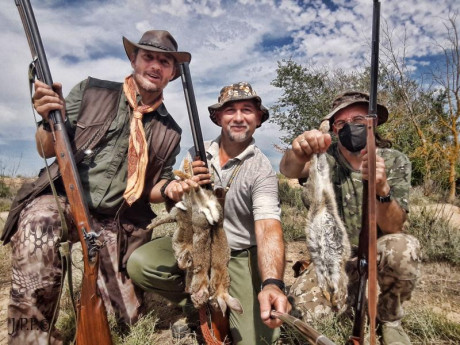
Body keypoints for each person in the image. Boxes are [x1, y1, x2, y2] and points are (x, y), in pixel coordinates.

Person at [1, 30, 195, 344]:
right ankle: (30, 337)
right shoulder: (91, 91)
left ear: (172, 73)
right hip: (64, 200)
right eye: (148, 56)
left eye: (165, 61)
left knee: (129, 322)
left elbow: (154, 187)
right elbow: (46, 148)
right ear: (134, 59)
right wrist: (49, 118)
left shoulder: (170, 131)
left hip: (117, 221)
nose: (156, 66)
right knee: (39, 224)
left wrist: (173, 189)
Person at [127, 82, 292, 345]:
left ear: (258, 118)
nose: (238, 117)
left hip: (236, 254)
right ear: (218, 118)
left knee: (258, 340)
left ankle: (237, 295)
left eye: (247, 110)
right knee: (140, 263)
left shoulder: (261, 169)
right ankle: (198, 304)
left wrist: (272, 283)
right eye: (230, 110)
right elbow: (154, 190)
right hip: (197, 245)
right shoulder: (197, 154)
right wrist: (175, 188)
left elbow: (268, 226)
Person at [280, 91, 421, 345]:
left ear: (373, 122)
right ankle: (352, 295)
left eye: (358, 119)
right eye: (341, 123)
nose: (349, 127)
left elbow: (394, 226)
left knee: (403, 246)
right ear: (333, 129)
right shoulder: (324, 156)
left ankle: (390, 318)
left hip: (377, 255)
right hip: (332, 257)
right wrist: (298, 150)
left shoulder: (395, 160)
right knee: (297, 315)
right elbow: (289, 168)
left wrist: (382, 189)